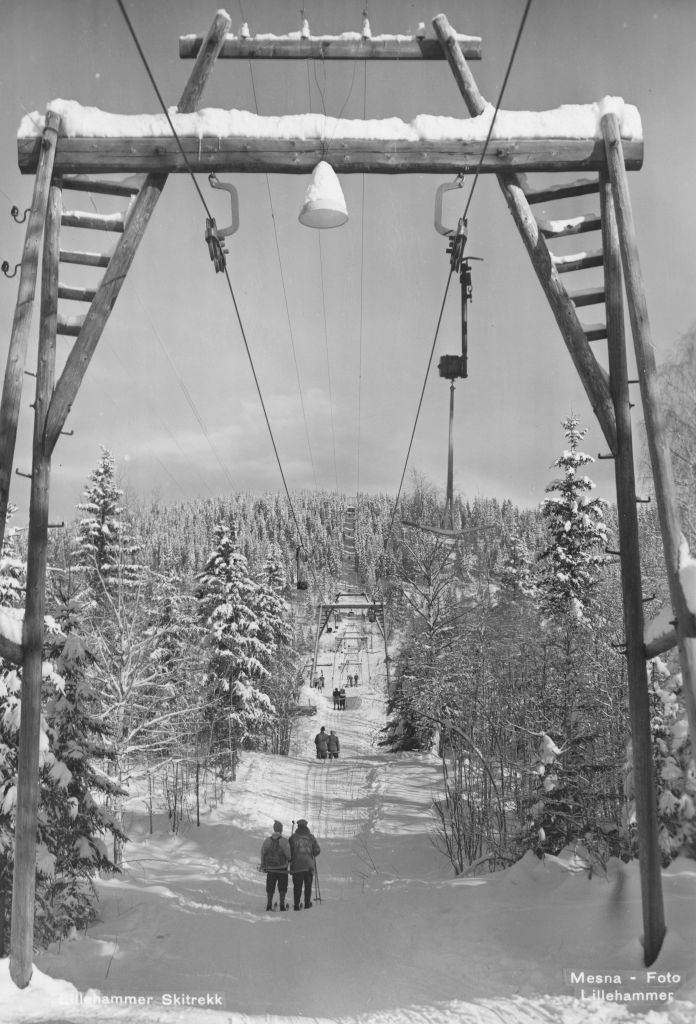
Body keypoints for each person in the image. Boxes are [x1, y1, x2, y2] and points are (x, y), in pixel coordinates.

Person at [260, 820, 291, 911]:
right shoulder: (284, 841)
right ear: (281, 830)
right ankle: (282, 904)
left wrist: (263, 865)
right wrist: (290, 861)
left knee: (270, 886)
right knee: (282, 886)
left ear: (274, 829)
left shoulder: (267, 841)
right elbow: (288, 856)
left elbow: (263, 853)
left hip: (270, 869)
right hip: (282, 868)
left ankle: (269, 904)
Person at [289, 819, 320, 910]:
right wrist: (312, 852)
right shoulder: (311, 837)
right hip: (308, 866)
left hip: (297, 866)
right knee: (308, 886)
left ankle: (296, 905)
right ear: (306, 826)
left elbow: (288, 852)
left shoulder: (293, 838)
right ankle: (307, 903)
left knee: (297, 886)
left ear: (298, 826)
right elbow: (317, 851)